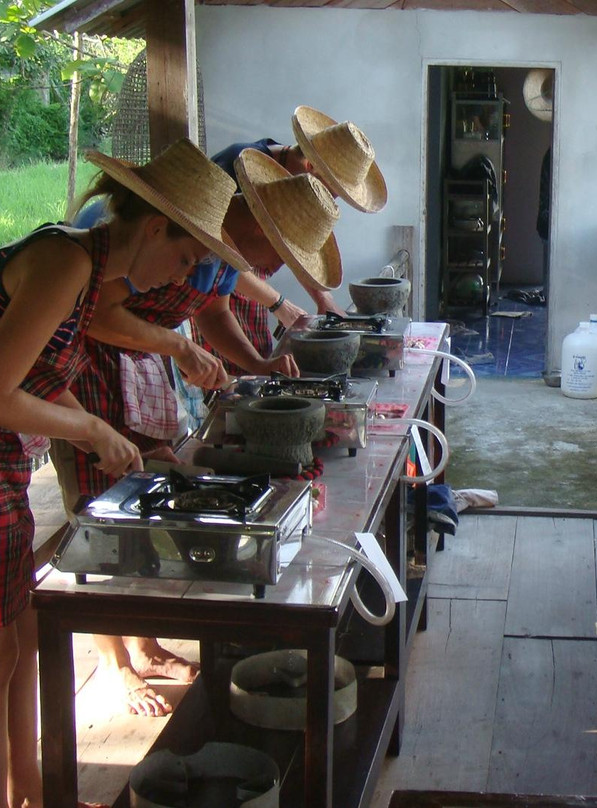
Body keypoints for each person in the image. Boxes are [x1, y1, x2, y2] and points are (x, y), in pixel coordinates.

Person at [0, 137, 246, 808]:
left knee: (17, 640)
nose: (178, 277)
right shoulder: (64, 262)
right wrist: (92, 428)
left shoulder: (86, 271)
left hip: (8, 460)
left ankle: (30, 791)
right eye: (185, 256)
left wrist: (98, 429)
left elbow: (38, 375)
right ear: (156, 226)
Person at [53, 147, 341, 717]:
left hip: (138, 364)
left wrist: (255, 364)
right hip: (79, 373)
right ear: (255, 222)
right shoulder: (149, 232)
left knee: (144, 504)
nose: (276, 269)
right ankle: (112, 663)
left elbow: (210, 311)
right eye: (277, 251)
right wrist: (176, 346)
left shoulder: (219, 246)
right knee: (101, 514)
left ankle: (144, 642)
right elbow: (98, 315)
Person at [197, 105, 387, 374]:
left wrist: (323, 298)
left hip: (232, 297)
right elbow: (218, 255)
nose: (329, 199)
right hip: (208, 298)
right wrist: (278, 303)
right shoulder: (233, 169)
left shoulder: (291, 183)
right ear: (310, 166)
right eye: (332, 191)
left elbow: (294, 245)